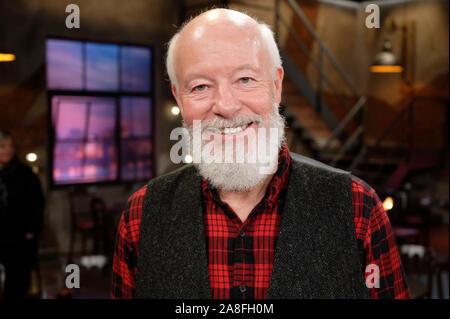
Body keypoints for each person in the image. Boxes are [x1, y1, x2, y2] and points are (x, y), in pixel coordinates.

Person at [111, 9, 410, 299]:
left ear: (277, 86)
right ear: (179, 97)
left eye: (245, 79)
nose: (226, 107)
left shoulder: (359, 209)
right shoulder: (141, 215)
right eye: (200, 86)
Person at [0, 130, 45, 298]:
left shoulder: (25, 173)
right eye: (3, 146)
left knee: (17, 283)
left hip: (19, 238)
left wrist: (31, 231)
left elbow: (38, 203)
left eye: (11, 146)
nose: (8, 150)